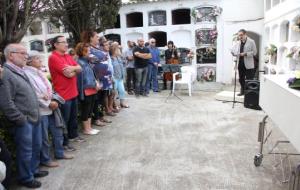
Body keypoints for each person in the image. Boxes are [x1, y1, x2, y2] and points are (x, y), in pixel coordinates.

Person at [0, 44, 47, 188]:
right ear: (11, 55)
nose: (26, 56)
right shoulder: (6, 73)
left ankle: (32, 170)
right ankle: (26, 178)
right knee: (25, 151)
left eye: (26, 53)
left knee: (35, 146)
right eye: (22, 53)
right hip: (24, 121)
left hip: (33, 117)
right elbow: (6, 102)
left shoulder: (19, 70)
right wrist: (21, 119)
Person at [48, 36, 84, 151]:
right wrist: (75, 70)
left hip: (73, 92)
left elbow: (80, 68)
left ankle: (73, 136)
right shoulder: (53, 57)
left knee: (72, 118)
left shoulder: (67, 55)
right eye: (63, 42)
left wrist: (73, 69)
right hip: (63, 95)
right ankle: (64, 143)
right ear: (56, 45)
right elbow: (69, 74)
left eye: (66, 42)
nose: (66, 44)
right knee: (64, 120)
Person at [76, 42, 101, 135]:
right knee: (86, 110)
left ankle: (89, 128)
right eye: (88, 50)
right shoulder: (80, 62)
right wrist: (94, 84)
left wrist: (96, 82)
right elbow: (84, 79)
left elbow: (92, 74)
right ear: (82, 51)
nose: (90, 52)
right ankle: (86, 129)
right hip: (86, 90)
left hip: (92, 89)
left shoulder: (87, 61)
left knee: (90, 110)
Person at [231, 29, 257, 96]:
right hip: (240, 63)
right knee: (241, 79)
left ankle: (248, 93)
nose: (240, 36)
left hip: (249, 64)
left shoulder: (251, 41)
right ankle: (242, 91)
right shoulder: (238, 43)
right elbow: (235, 51)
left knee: (249, 80)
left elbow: (254, 52)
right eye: (239, 35)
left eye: (241, 35)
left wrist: (245, 54)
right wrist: (233, 53)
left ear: (245, 34)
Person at [110, 43, 129, 108]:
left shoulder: (119, 57)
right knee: (114, 93)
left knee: (122, 91)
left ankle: (122, 103)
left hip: (120, 77)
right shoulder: (111, 59)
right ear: (114, 50)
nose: (119, 50)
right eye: (117, 49)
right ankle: (114, 105)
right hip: (115, 78)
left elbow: (124, 63)